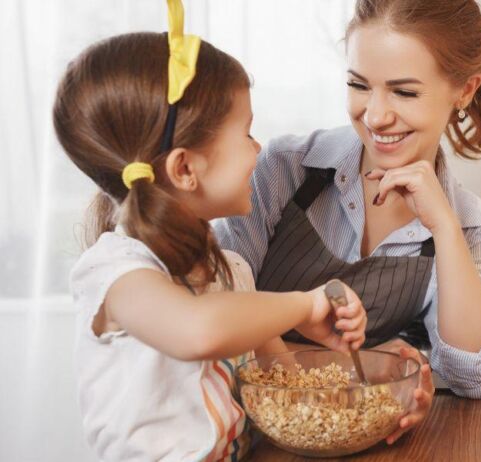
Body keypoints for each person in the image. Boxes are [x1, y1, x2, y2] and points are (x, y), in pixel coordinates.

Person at [53, 3, 365, 460]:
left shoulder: (231, 270)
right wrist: (303, 305)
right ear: (185, 168)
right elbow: (198, 331)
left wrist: (371, 392)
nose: (259, 149)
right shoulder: (117, 273)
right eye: (246, 133)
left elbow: (284, 387)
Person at [215, 0, 481, 444]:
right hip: (241, 440)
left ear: (464, 90)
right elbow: (210, 323)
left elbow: (474, 378)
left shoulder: (467, 224)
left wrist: (445, 230)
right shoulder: (281, 171)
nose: (375, 115)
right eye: (359, 85)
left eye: (404, 92)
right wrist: (379, 365)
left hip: (354, 442)